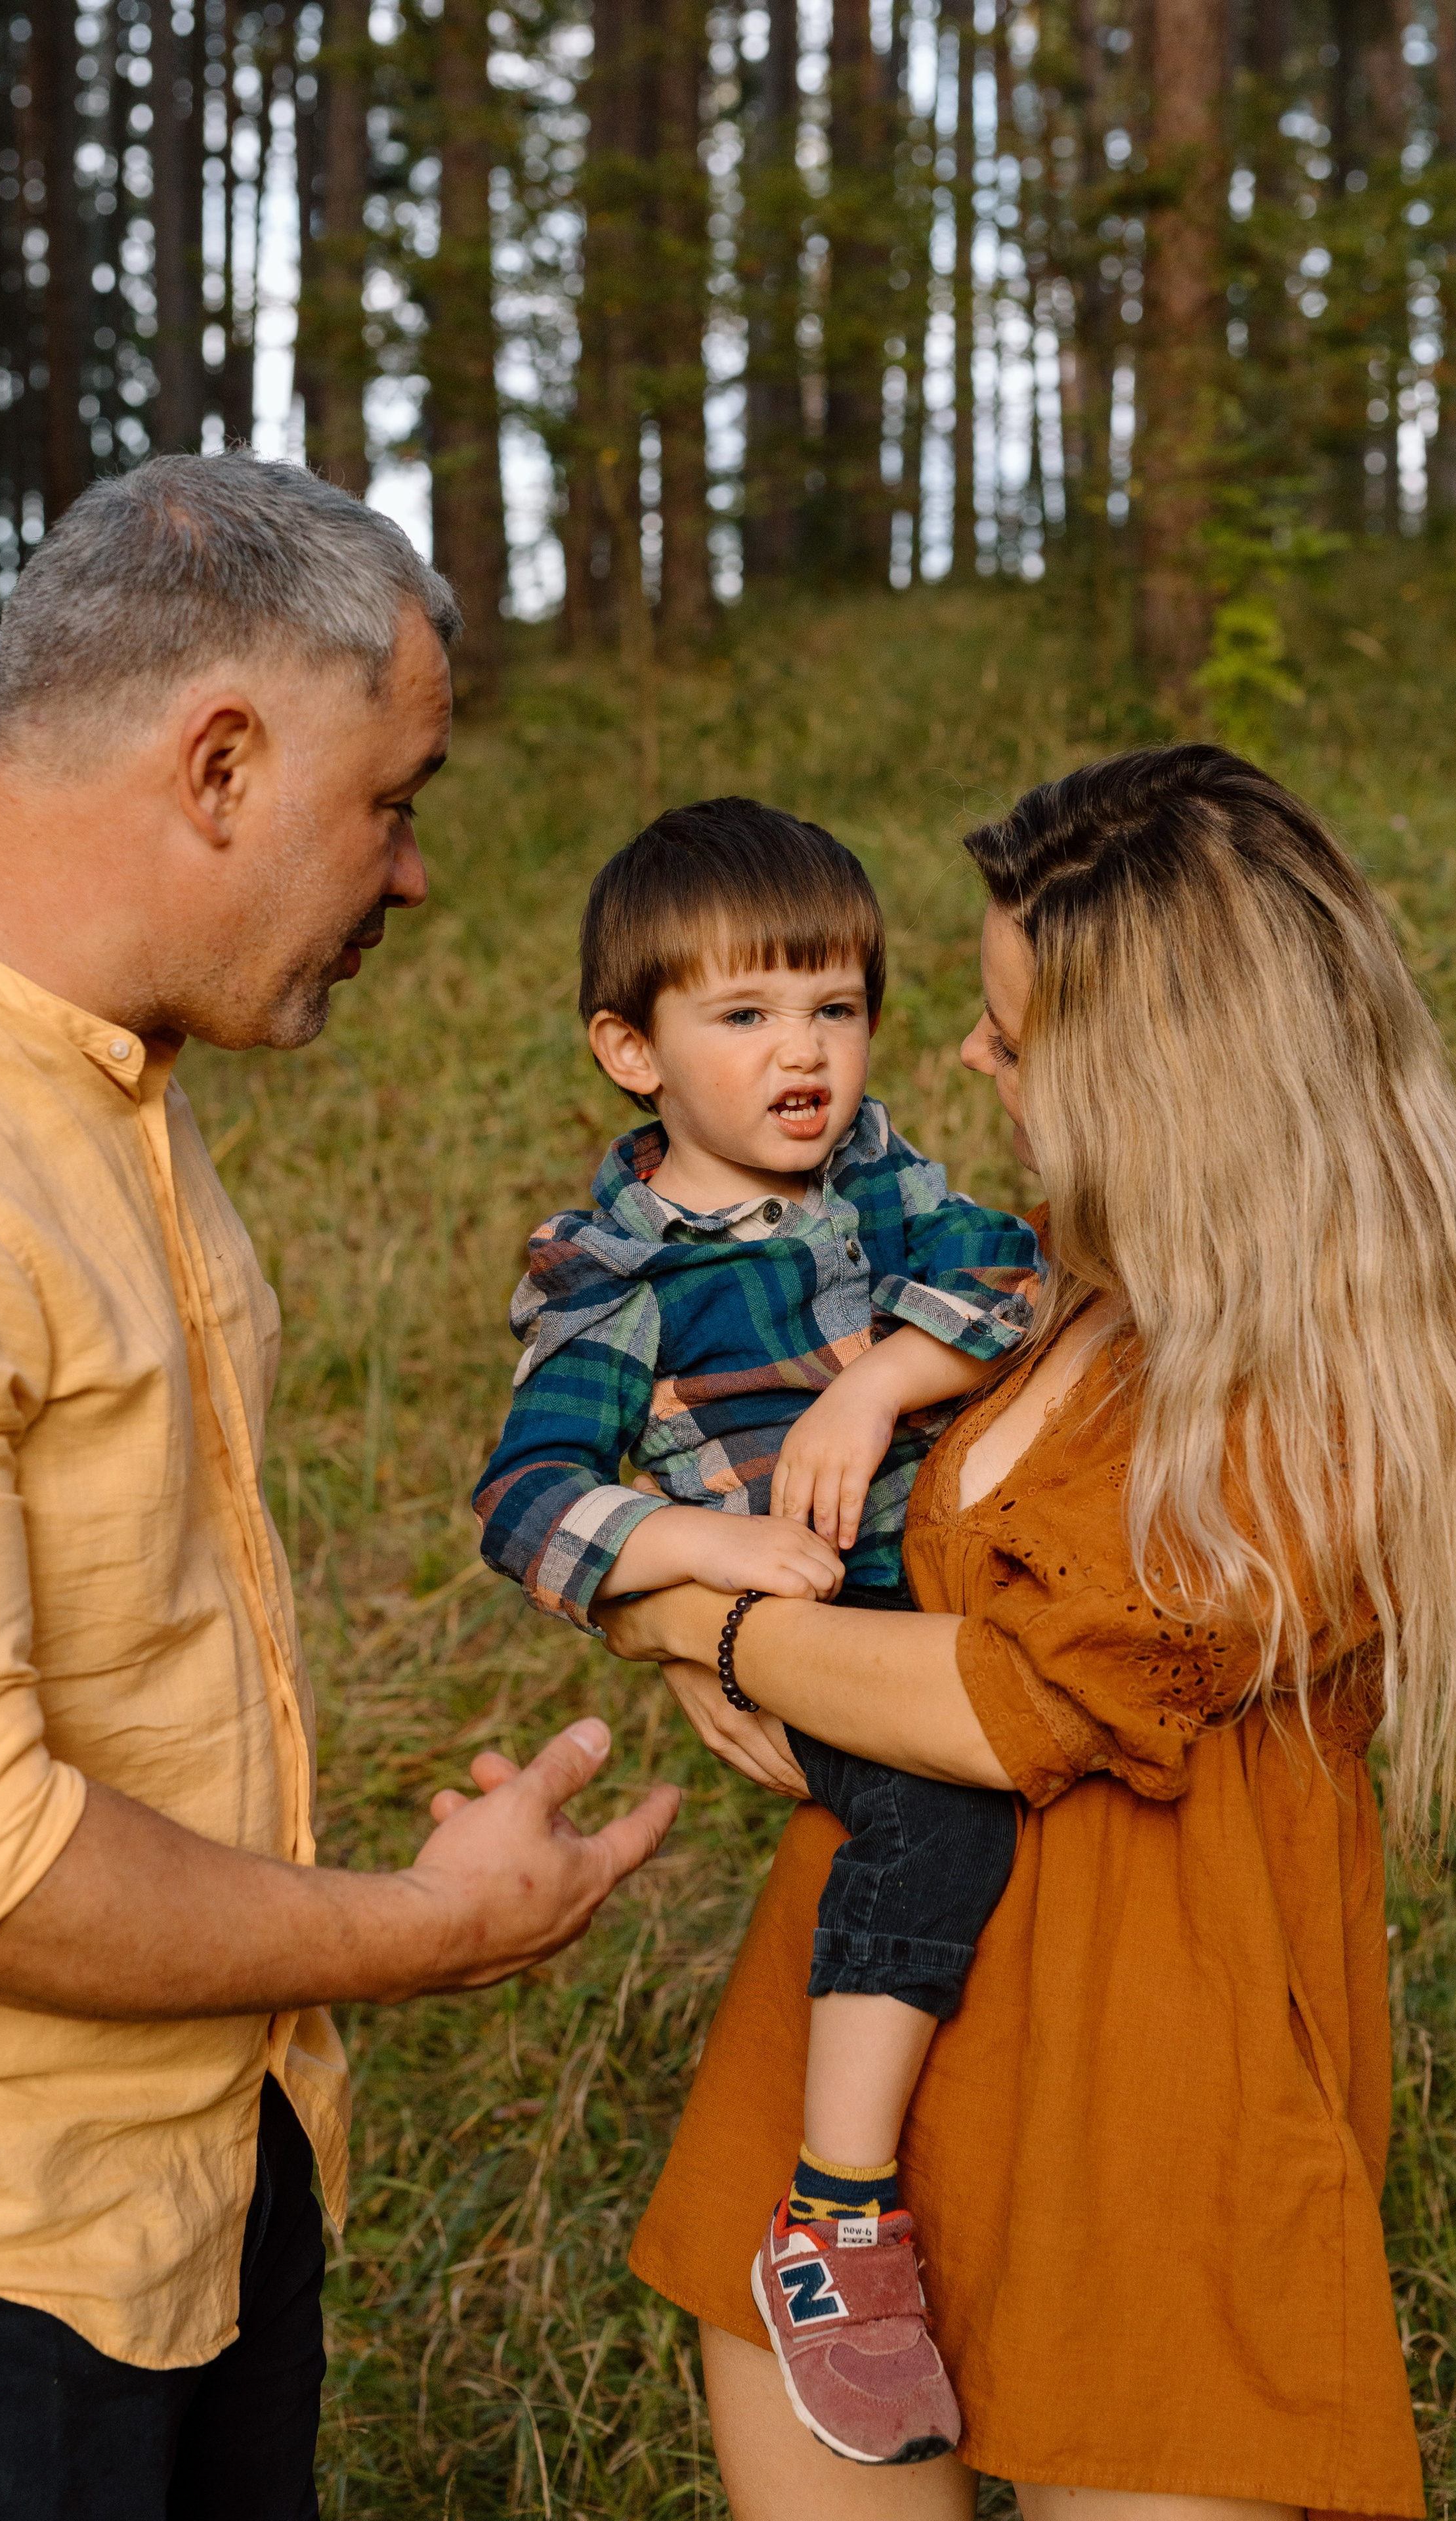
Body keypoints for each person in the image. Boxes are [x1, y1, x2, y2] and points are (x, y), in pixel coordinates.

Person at [600, 745, 1456, 2521]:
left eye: (1013, 1035)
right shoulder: (1042, 1279)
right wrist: (674, 1582)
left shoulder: (1339, 1388)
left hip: (1155, 2125)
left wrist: (687, 1616)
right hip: (852, 2087)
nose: (970, 1059)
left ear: (1157, 1080)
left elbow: (1018, 1704)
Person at [0, 452, 679, 2521]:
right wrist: (425, 1931)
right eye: (392, 801)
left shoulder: (92, 1062)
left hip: (206, 2185)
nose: (412, 875)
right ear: (220, 762)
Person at [477, 798, 1041, 2463]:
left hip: (951, 1589)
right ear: (628, 1050)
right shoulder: (614, 1281)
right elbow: (529, 1499)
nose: (802, 1053)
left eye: (834, 1007)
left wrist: (876, 1380)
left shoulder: (881, 1179)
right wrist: (693, 1557)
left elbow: (1006, 1276)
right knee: (936, 1820)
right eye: (741, 1016)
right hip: (832, 1644)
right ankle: (836, 2218)